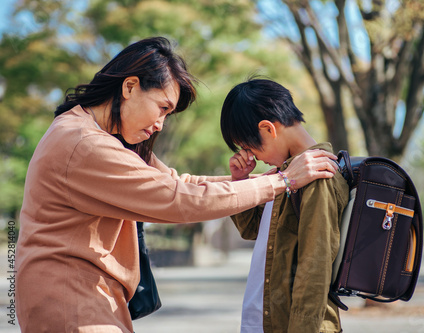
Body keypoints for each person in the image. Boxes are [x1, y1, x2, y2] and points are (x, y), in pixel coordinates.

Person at [14, 37, 340, 333]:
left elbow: (178, 183)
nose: (160, 124)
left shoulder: (96, 137)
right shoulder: (84, 143)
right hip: (73, 303)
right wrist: (282, 181)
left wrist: (261, 181)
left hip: (84, 298)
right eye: (162, 108)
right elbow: (179, 199)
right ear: (130, 87)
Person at [220, 78, 349, 333]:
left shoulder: (317, 175)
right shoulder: (288, 175)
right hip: (267, 320)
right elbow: (253, 231)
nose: (251, 156)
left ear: (268, 128)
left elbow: (315, 266)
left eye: (249, 146)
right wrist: (240, 181)